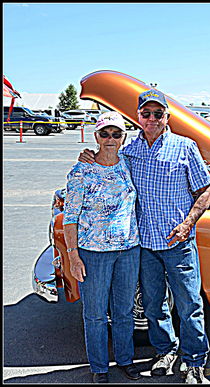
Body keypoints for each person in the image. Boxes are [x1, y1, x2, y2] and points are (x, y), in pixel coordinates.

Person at [79, 89, 210, 384]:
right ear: (138, 117)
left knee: (190, 305)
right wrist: (88, 157)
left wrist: (189, 223)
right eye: (146, 114)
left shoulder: (185, 147)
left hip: (178, 243)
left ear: (167, 117)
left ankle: (194, 362)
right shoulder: (129, 152)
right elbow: (106, 164)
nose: (152, 119)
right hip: (144, 246)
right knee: (154, 306)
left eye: (158, 114)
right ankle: (165, 351)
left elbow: (206, 190)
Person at [64, 111, 141, 383]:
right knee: (95, 314)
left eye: (116, 133)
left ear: (123, 137)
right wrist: (74, 257)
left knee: (123, 310)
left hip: (129, 250)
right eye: (105, 133)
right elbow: (69, 218)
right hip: (93, 253)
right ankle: (99, 367)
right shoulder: (80, 171)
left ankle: (125, 360)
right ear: (96, 136)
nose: (110, 139)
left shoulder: (130, 164)